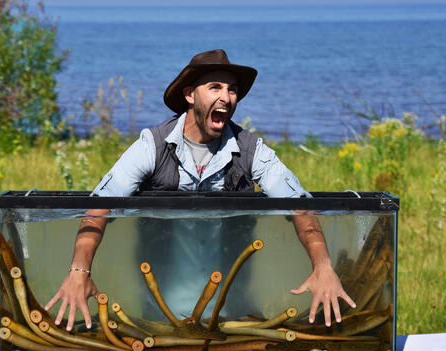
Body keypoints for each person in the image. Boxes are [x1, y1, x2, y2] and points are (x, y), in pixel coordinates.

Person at [44, 49, 355, 331]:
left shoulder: (251, 149)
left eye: (232, 89)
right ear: (190, 95)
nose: (227, 97)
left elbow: (298, 205)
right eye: (215, 87)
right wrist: (79, 271)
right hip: (159, 314)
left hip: (234, 311)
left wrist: (323, 266)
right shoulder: (151, 146)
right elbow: (99, 207)